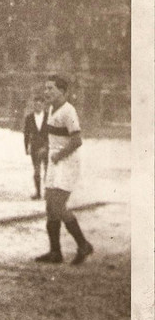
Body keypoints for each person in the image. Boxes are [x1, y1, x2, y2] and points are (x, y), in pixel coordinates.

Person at [35, 75, 93, 265]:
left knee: (58, 207)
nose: (47, 92)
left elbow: (77, 140)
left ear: (63, 91)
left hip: (66, 163)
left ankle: (83, 245)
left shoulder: (69, 111)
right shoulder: (52, 109)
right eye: (46, 88)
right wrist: (47, 149)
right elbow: (55, 137)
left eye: (51, 88)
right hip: (55, 161)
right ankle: (55, 252)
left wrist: (59, 155)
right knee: (50, 207)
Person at [23, 95, 49, 200]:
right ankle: (38, 193)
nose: (38, 105)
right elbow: (26, 134)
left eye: (40, 103)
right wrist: (26, 147)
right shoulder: (29, 118)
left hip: (47, 147)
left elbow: (52, 133)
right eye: (36, 104)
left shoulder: (49, 117)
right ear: (34, 105)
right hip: (35, 147)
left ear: (43, 105)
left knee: (48, 170)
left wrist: (48, 146)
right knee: (37, 170)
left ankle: (48, 193)